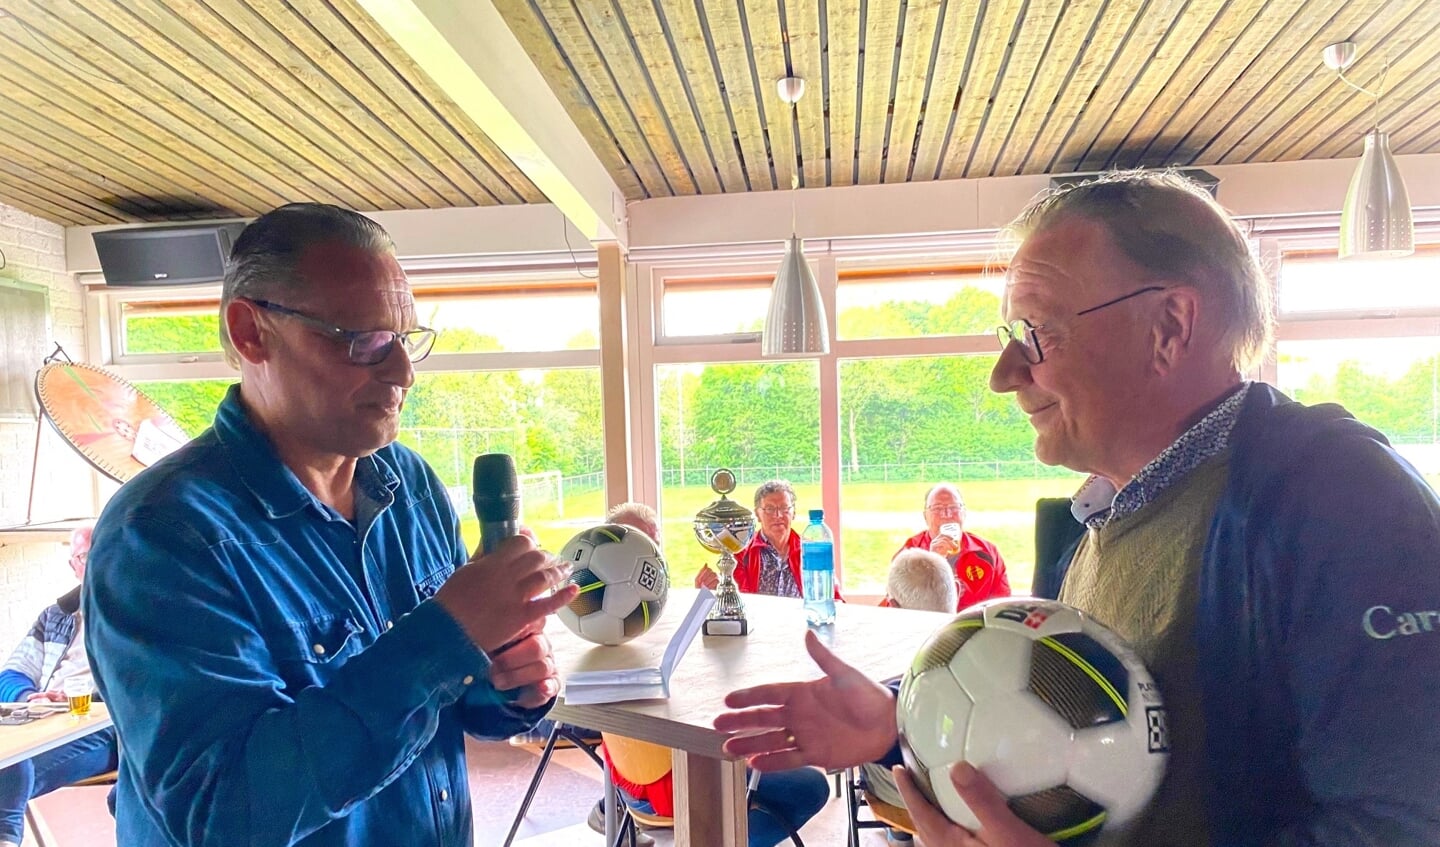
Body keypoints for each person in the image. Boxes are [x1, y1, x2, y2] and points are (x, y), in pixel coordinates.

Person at [713, 171, 1440, 846]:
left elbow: (1405, 822)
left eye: (1038, 332)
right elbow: (1085, 727)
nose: (1004, 375)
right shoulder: (1093, 526)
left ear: (1170, 326)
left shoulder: (1337, 500)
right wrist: (904, 719)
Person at [84, 203, 577, 847]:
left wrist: (506, 682)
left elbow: (444, 706)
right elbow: (223, 814)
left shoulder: (411, 486)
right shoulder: (163, 535)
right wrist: (444, 635)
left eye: (405, 339)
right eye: (362, 340)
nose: (401, 373)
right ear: (251, 333)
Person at [594, 502, 829, 847]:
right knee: (811, 785)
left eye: (654, 543)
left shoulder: (605, 616)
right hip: (685, 778)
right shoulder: (655, 616)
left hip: (626, 782)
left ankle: (612, 811)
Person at [0, 524, 119, 847]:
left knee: (11, 763)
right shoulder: (56, 616)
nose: (96, 561)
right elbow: (9, 676)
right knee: (11, 756)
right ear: (73, 566)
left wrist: (84, 700)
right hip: (40, 721)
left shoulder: (134, 612)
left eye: (104, 550)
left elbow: (137, 687)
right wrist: (31, 697)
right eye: (85, 555)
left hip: (101, 729)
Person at [894, 484, 1009, 608]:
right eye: (937, 508)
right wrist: (933, 561)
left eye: (954, 507)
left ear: (964, 513)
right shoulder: (908, 556)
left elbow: (1001, 606)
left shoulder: (988, 553)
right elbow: (899, 609)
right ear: (925, 517)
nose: (947, 514)